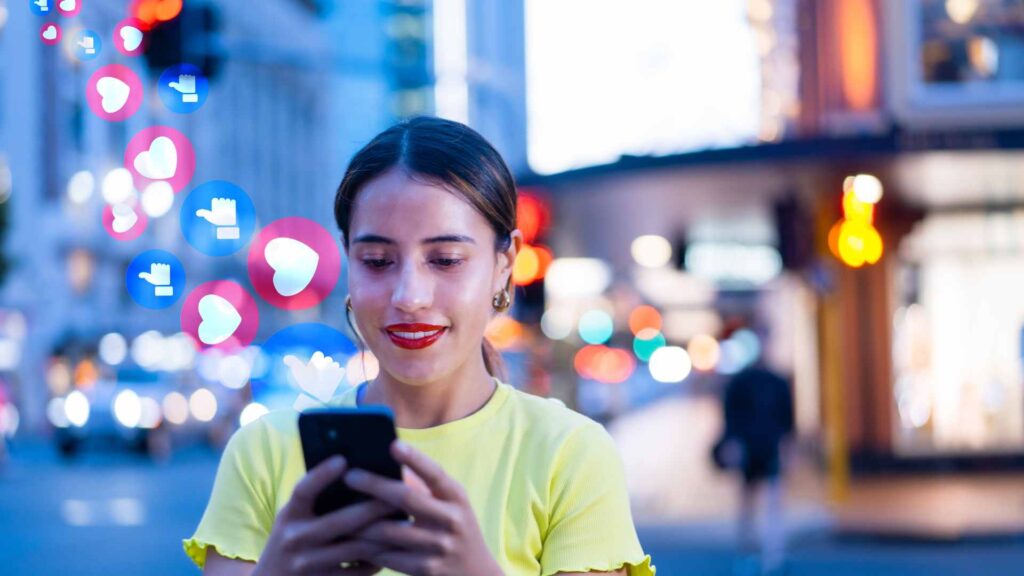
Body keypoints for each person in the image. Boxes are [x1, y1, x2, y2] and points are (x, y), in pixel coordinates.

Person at [183, 116, 655, 576]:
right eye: (376, 260)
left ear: (504, 263)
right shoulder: (263, 453)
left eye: (445, 260)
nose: (409, 296)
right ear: (348, 260)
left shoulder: (569, 454)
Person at [715, 355, 794, 576]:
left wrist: (788, 448)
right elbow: (730, 418)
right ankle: (752, 554)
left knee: (768, 503)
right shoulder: (747, 381)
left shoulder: (772, 381)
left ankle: (770, 555)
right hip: (751, 449)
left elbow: (787, 420)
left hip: (765, 448)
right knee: (751, 504)